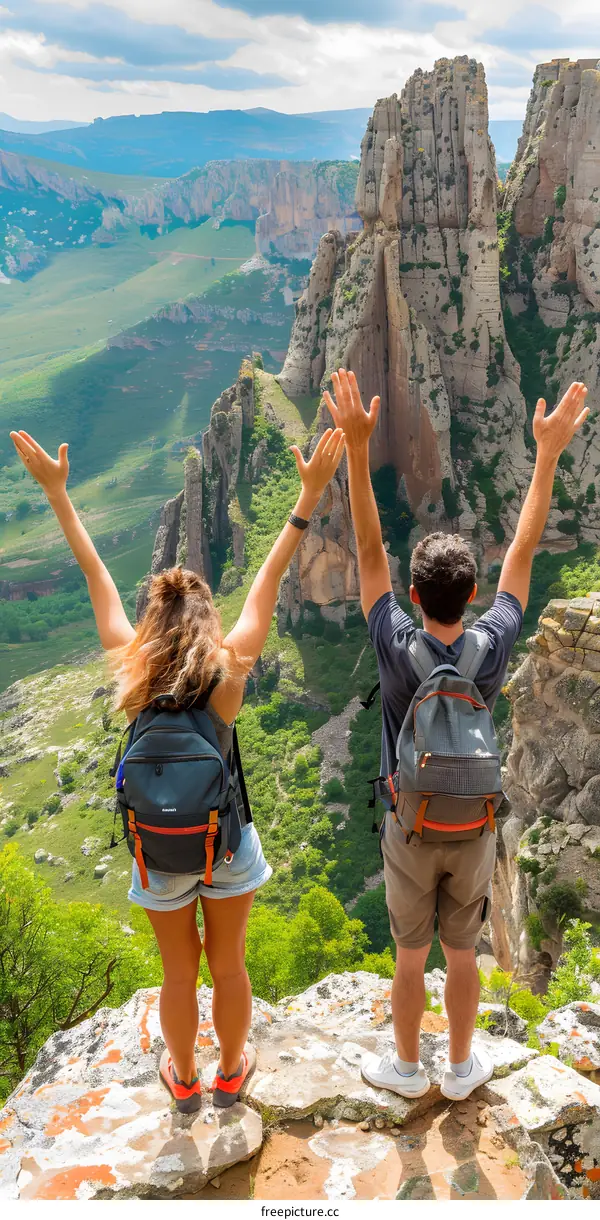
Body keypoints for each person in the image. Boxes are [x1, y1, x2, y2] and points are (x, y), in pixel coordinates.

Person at [9, 422, 345, 1113]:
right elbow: (268, 578)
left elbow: (95, 574)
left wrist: (58, 497)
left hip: (156, 854)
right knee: (229, 966)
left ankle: (183, 1080)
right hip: (226, 846)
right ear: (205, 624)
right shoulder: (228, 674)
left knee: (177, 974)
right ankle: (229, 1074)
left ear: (156, 625)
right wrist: (306, 498)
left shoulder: (131, 669)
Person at [324, 369, 588, 1102]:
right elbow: (526, 552)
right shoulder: (494, 643)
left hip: (408, 825)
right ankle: (464, 1067)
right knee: (462, 952)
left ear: (414, 594)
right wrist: (547, 454)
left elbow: (369, 550)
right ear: (472, 595)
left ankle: (408, 1070)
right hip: (475, 826)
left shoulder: (394, 640)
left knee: (411, 957)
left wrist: (355, 448)